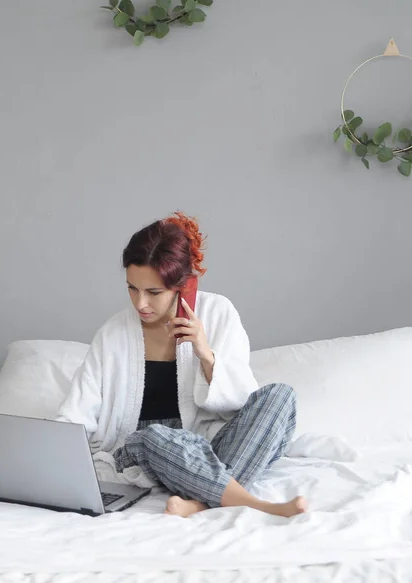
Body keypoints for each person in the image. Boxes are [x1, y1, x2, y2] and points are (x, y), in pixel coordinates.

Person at [57, 212, 307, 518]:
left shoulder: (218, 314)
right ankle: (255, 504)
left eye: (153, 292)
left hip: (209, 448)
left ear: (183, 285)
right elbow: (76, 412)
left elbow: (241, 404)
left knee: (280, 396)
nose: (140, 304)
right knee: (156, 436)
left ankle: (200, 502)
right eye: (132, 288)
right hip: (148, 451)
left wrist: (205, 352)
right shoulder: (113, 333)